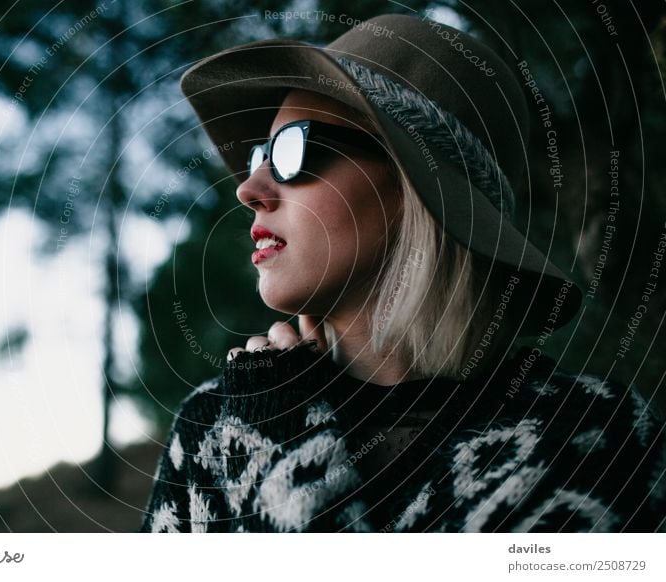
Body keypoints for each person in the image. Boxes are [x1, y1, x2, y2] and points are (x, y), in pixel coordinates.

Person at [140, 13, 666, 532]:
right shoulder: (212, 428)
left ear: (412, 187)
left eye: (289, 151)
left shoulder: (594, 434)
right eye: (259, 155)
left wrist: (283, 440)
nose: (248, 190)